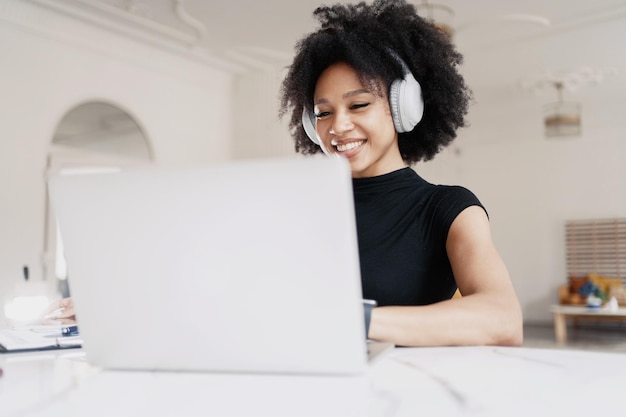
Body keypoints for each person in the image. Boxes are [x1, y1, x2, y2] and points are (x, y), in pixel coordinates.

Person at [278, 0, 523, 346]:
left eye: (359, 104)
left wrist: (357, 320)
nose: (338, 126)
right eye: (322, 113)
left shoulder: (449, 208)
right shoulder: (301, 209)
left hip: (409, 393)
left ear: (401, 108)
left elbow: (503, 319)